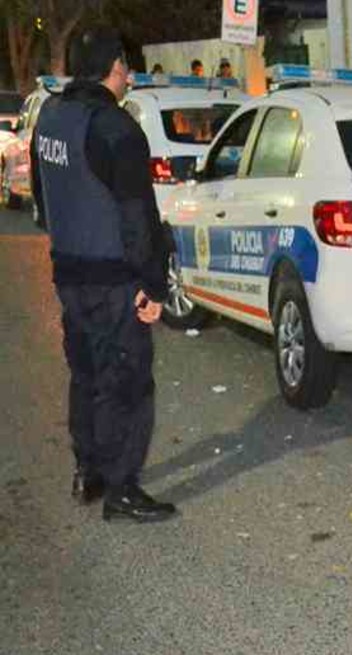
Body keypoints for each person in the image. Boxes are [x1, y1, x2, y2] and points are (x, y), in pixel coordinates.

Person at [30, 29, 177, 523]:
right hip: (114, 279)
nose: (130, 75)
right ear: (113, 66)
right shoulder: (115, 127)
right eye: (126, 66)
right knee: (127, 382)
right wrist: (153, 285)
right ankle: (121, 488)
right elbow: (138, 216)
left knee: (87, 372)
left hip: (69, 271)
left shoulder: (50, 117)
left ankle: (88, 470)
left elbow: (43, 197)